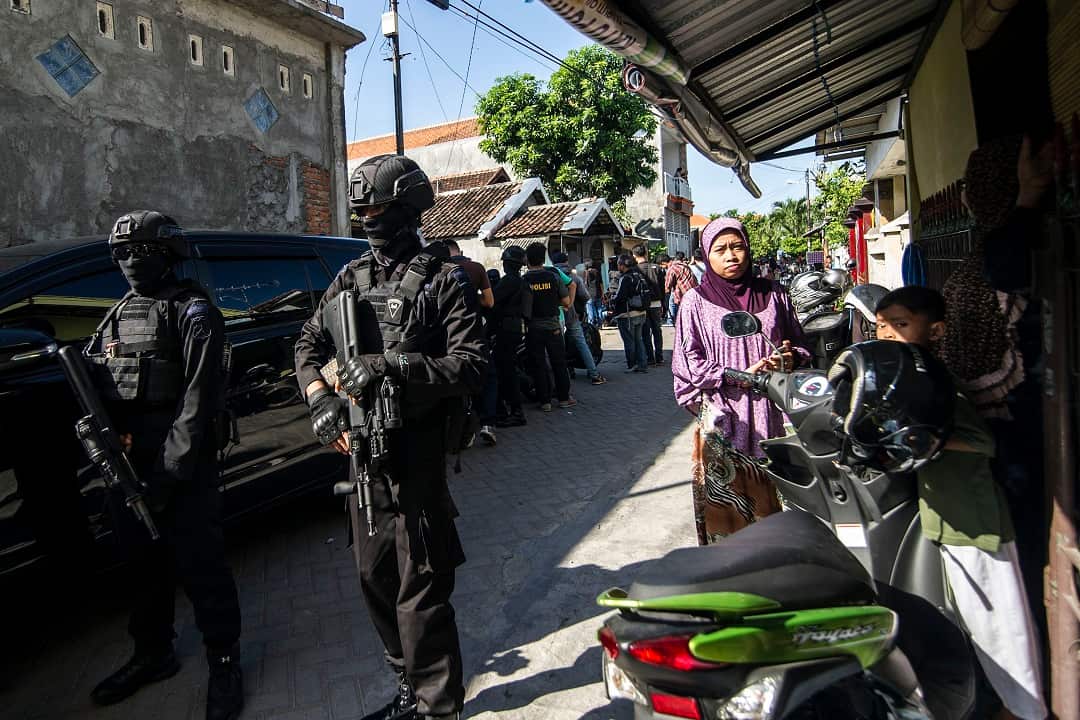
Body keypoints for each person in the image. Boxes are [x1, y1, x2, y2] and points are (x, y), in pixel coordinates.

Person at [294, 155, 485, 720]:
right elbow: (307, 345)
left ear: (408, 210)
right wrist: (319, 399)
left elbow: (471, 366)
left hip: (417, 454)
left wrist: (394, 368)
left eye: (379, 208)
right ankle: (405, 684)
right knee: (372, 575)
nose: (369, 218)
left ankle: (437, 706)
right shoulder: (349, 278)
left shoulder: (443, 280)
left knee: (421, 590)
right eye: (362, 210)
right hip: (361, 457)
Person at [87, 211, 243, 720]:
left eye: (143, 252)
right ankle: (152, 654)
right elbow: (100, 380)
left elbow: (198, 405)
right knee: (143, 570)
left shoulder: (194, 313)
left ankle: (224, 662)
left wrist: (167, 476)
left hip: (183, 468)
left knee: (203, 570)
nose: (131, 262)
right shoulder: (119, 313)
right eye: (123, 253)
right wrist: (109, 433)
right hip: (131, 469)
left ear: (168, 255)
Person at [873, 286, 1047, 720]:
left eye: (900, 324)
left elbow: (980, 441)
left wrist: (927, 438)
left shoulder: (936, 379)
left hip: (973, 521)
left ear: (936, 329)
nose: (888, 333)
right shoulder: (908, 376)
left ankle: (1028, 712)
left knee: (1002, 630)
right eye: (881, 325)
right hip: (944, 517)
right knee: (974, 627)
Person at [671, 217, 809, 545]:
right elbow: (688, 363)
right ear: (707, 255)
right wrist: (739, 377)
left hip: (775, 416)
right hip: (725, 419)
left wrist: (790, 358)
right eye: (720, 249)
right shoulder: (694, 303)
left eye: (737, 247)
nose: (731, 256)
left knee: (781, 515)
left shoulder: (775, 295)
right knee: (729, 517)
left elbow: (801, 344)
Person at [445, 239, 497, 446]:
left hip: (447, 335)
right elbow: (489, 301)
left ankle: (462, 429)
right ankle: (487, 424)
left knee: (456, 382)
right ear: (460, 251)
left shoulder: (438, 271)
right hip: (474, 332)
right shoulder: (476, 268)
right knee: (488, 376)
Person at [520, 242, 575, 411]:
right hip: (553, 326)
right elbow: (566, 301)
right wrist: (567, 305)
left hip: (533, 329)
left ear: (527, 260)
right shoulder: (553, 277)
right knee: (559, 363)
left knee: (538, 365)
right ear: (543, 259)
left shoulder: (524, 280)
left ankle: (545, 402)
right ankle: (564, 399)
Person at [551, 252, 607, 385]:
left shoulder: (551, 274)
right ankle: (593, 373)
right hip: (573, 314)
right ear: (566, 261)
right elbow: (586, 296)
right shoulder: (574, 277)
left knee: (561, 345)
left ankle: (566, 372)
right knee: (581, 343)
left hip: (555, 314)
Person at [490, 246, 528, 428]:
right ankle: (511, 409)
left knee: (505, 371)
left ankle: (515, 411)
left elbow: (491, 301)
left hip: (506, 330)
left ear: (508, 263)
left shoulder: (509, 282)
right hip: (514, 329)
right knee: (507, 369)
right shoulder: (519, 281)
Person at [610, 254, 649, 374]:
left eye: (618, 265)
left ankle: (632, 364)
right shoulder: (638, 275)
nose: (618, 267)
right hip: (641, 312)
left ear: (622, 265)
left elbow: (621, 296)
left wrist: (612, 300)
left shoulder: (625, 278)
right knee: (639, 339)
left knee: (629, 341)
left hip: (627, 314)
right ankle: (642, 364)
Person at [632, 244, 665, 365]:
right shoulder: (656, 268)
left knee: (645, 332)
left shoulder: (634, 270)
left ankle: (650, 357)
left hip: (642, 305)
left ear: (634, 255)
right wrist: (663, 304)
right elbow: (662, 287)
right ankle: (659, 357)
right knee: (657, 330)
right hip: (656, 303)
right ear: (646, 253)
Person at [664, 250, 698, 325]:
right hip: (692, 293)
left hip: (681, 295)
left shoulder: (673, 268)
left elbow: (667, 286)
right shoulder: (687, 266)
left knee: (679, 316)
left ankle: (672, 323)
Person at [584, 260, 605, 326]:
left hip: (589, 294)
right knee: (599, 308)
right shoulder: (597, 272)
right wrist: (602, 293)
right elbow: (601, 284)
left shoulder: (586, 273)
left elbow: (585, 284)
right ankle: (600, 323)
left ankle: (591, 324)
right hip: (598, 293)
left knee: (590, 310)